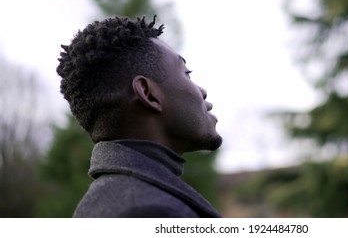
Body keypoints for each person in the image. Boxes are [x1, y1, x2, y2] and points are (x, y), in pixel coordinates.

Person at [57, 16, 223, 217]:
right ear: (148, 93)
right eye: (187, 73)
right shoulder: (148, 211)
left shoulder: (110, 201)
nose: (202, 91)